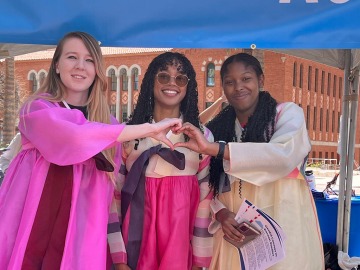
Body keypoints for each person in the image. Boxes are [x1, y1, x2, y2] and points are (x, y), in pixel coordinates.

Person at [0, 31, 182, 270]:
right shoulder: (37, 108)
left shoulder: (109, 124)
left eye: (89, 60)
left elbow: (110, 194)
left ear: (97, 68)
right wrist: (146, 129)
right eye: (72, 57)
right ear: (56, 65)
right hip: (36, 224)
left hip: (81, 235)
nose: (80, 66)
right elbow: (74, 137)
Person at [175, 52, 324, 269]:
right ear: (223, 88)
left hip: (281, 218)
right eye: (230, 82)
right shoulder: (217, 128)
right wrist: (220, 213)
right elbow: (208, 183)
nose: (238, 87)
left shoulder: (287, 114)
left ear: (260, 80)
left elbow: (282, 157)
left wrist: (217, 149)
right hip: (234, 231)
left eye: (246, 79)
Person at [116, 52, 213, 270]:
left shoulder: (202, 138)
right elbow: (114, 197)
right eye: (163, 76)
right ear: (151, 81)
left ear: (188, 86)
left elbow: (206, 201)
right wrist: (119, 259)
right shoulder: (129, 134)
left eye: (180, 78)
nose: (172, 83)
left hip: (180, 238)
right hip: (137, 237)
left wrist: (199, 260)